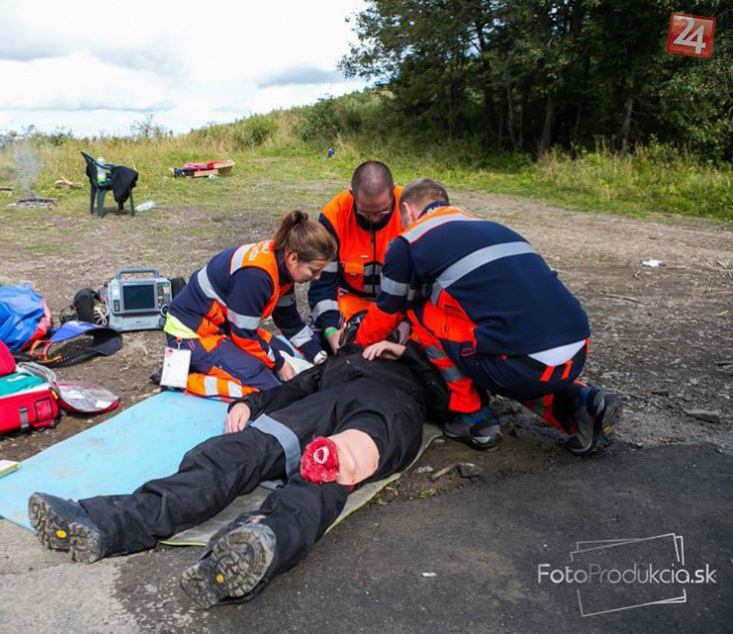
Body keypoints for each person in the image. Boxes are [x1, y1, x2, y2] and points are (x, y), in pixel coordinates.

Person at [27, 341, 446, 608]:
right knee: (230, 454)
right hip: (320, 404)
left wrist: (406, 353)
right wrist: (251, 403)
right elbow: (293, 389)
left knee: (329, 464)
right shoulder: (338, 361)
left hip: (389, 409)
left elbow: (454, 403)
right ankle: (103, 523)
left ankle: (258, 545)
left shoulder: (420, 364)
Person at [354, 178, 621, 454]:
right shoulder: (493, 228)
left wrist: (357, 348)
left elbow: (388, 310)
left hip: (516, 364)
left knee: (420, 313)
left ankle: (472, 417)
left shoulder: (409, 241)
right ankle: (583, 404)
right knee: (504, 346)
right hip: (575, 351)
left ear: (408, 211)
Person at [162, 210, 336, 399]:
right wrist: (279, 364)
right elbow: (244, 336)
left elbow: (289, 322)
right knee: (267, 390)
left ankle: (215, 365)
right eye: (314, 270)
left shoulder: (282, 266)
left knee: (284, 352)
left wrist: (318, 356)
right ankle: (181, 380)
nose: (317, 277)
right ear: (293, 258)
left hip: (224, 327)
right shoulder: (256, 277)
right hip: (192, 334)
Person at [308, 161, 406, 352]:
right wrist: (330, 332)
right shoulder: (334, 216)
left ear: (393, 191)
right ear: (351, 194)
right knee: (324, 346)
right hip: (349, 302)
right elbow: (322, 284)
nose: (375, 219)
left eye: (382, 211)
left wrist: (405, 330)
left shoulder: (411, 210)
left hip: (398, 307)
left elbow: (424, 286)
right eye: (366, 213)